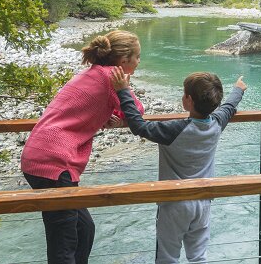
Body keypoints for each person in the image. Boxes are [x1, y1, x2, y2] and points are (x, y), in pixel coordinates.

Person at [20, 29, 144, 264]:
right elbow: (136, 112)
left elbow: (108, 107)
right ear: (124, 60)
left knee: (83, 229)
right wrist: (123, 91)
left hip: (40, 156)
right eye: (137, 57)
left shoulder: (95, 73)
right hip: (54, 163)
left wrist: (111, 112)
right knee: (64, 243)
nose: (138, 62)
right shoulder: (111, 78)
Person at [111, 68, 246, 264]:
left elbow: (139, 126)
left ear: (189, 101)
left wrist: (123, 90)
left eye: (184, 94)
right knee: (198, 256)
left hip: (174, 203)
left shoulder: (173, 129)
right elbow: (230, 107)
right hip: (203, 201)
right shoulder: (217, 123)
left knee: (167, 257)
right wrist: (238, 89)